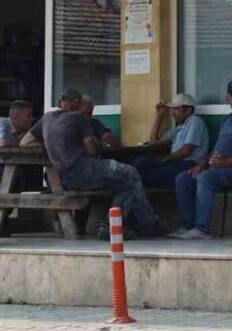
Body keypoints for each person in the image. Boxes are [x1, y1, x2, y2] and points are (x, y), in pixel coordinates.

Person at [23, 87, 160, 238]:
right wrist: (89, 146)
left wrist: (51, 145)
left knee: (126, 186)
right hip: (82, 169)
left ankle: (114, 227)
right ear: (78, 103)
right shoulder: (78, 117)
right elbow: (91, 150)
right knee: (130, 172)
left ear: (60, 103)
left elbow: (24, 143)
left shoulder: (47, 118)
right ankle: (146, 225)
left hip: (63, 177)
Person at [170, 79, 232, 240]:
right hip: (219, 169)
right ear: (227, 98)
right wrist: (201, 165)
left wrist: (225, 163)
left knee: (205, 177)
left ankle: (202, 229)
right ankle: (188, 226)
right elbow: (216, 150)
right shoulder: (228, 119)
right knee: (183, 178)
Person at [134, 93, 209, 189]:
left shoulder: (195, 121)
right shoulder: (179, 127)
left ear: (188, 110)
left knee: (152, 175)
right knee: (141, 163)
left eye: (176, 109)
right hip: (176, 162)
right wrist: (159, 116)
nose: (172, 113)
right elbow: (153, 142)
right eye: (172, 109)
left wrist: (166, 159)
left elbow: (186, 151)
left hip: (189, 164)